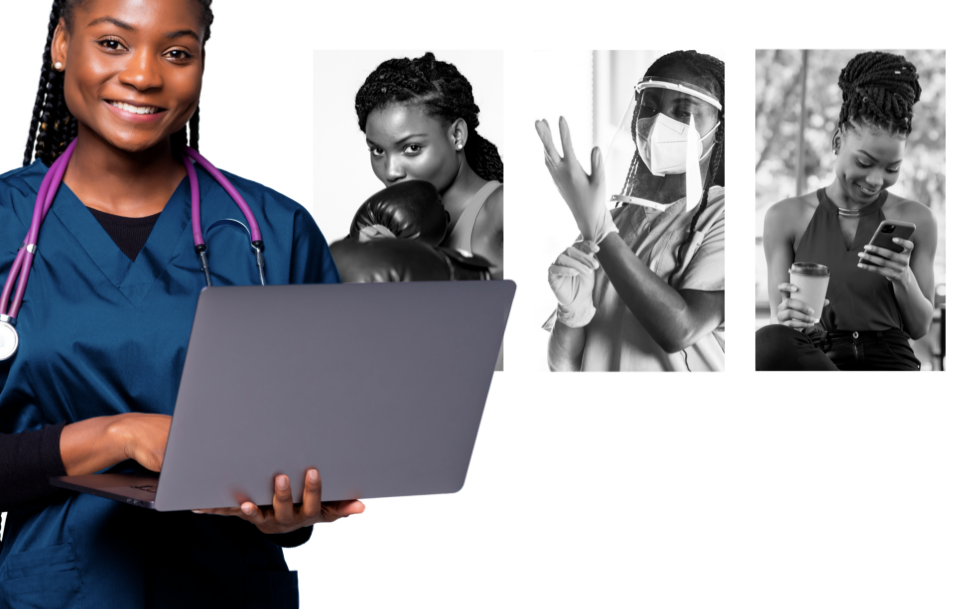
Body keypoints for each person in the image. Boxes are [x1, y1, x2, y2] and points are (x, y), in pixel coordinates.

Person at [0, 0, 364, 609]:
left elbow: (317, 455)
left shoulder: (270, 231)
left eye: (177, 52)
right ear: (62, 45)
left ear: (201, 68)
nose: (144, 75)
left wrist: (289, 513)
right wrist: (119, 435)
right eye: (113, 43)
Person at [538, 50, 726, 371]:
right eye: (649, 108)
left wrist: (598, 228)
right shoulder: (614, 220)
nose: (658, 124)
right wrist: (572, 313)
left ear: (720, 128)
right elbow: (564, 367)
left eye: (683, 113)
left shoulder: (721, 214)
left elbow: (681, 329)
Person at [756, 51, 937, 371]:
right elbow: (780, 327)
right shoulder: (785, 218)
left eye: (892, 168)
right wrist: (788, 319)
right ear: (837, 141)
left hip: (889, 364)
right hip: (820, 362)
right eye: (864, 162)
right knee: (768, 341)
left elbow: (920, 327)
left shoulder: (917, 219)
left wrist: (902, 276)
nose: (875, 181)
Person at [354, 52, 505, 280]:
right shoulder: (386, 226)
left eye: (412, 148)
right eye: (378, 151)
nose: (391, 171)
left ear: (457, 135)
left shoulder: (500, 207)